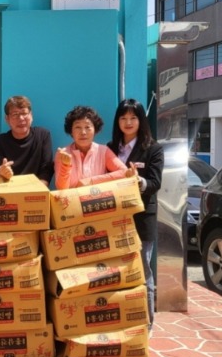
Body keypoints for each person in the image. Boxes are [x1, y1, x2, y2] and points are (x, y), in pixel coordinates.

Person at [107, 98, 164, 331]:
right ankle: (121, 319)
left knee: (142, 269)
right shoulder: (110, 148)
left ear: (141, 120)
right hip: (114, 219)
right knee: (116, 270)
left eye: (133, 117)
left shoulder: (153, 148)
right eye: (123, 117)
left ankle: (146, 324)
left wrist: (136, 180)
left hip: (141, 219)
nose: (128, 122)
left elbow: (155, 183)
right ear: (117, 121)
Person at [54, 105, 136, 189]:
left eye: (87, 127)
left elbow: (124, 172)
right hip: (72, 201)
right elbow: (61, 189)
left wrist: (91, 181)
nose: (83, 132)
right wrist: (66, 166)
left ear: (95, 130)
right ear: (71, 131)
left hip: (99, 201)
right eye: (77, 127)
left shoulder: (103, 151)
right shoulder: (63, 153)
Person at [0, 95, 54, 185]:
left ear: (31, 115)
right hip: (9, 191)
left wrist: (38, 191)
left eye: (24, 113)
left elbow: (46, 169)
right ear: (7, 119)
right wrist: (1, 172)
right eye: (15, 114)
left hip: (36, 191)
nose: (21, 118)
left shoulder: (43, 135)